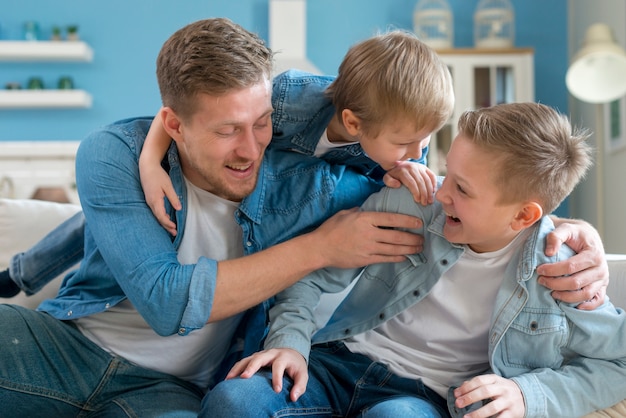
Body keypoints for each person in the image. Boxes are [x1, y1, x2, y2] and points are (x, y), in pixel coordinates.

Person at [0, 19, 609, 415]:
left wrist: (568, 230)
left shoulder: (362, 178)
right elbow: (176, 299)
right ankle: (18, 271)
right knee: (88, 228)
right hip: (71, 342)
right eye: (227, 131)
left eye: (260, 123)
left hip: (175, 390)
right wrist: (156, 151)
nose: (251, 146)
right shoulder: (142, 147)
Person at [204, 102, 626, 418]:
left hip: (425, 398)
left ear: (523, 215)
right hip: (338, 364)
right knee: (233, 401)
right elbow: (312, 276)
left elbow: (619, 363)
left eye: (462, 188)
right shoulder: (414, 202)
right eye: (447, 171)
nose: (441, 193)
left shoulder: (563, 270)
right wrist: (290, 345)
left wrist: (529, 396)